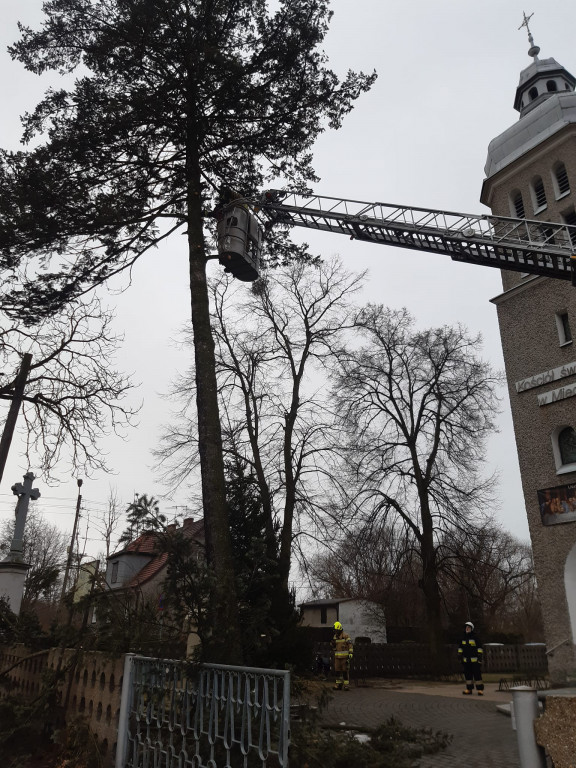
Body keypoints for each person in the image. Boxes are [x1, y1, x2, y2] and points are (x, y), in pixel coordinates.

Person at [458, 621, 484, 695]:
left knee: (477, 675)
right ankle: (469, 689)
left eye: (468, 627)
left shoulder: (475, 637)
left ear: (472, 629)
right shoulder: (463, 638)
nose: (467, 629)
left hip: (475, 660)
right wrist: (459, 654)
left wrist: (479, 656)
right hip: (466, 660)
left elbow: (479, 647)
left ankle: (480, 690)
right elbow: (460, 647)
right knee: (468, 676)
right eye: (466, 627)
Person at [331, 621, 353, 690]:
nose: (335, 632)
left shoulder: (345, 636)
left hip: (344, 658)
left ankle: (346, 685)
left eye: (336, 630)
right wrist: (333, 645)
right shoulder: (335, 637)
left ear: (339, 629)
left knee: (345, 671)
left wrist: (351, 653)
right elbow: (334, 648)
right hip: (337, 658)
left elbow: (350, 645)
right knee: (337, 671)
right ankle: (338, 684)